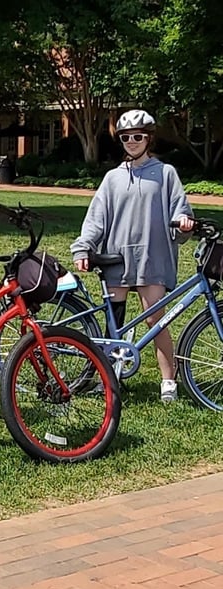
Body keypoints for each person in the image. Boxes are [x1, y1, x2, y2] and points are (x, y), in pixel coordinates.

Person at [70, 109, 194, 402]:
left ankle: (168, 381)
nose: (132, 142)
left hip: (153, 257)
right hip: (117, 259)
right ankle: (109, 378)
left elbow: (180, 212)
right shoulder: (113, 178)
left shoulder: (165, 174)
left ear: (149, 138)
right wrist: (83, 246)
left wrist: (183, 223)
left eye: (138, 136)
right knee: (114, 322)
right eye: (126, 137)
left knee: (156, 321)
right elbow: (96, 219)